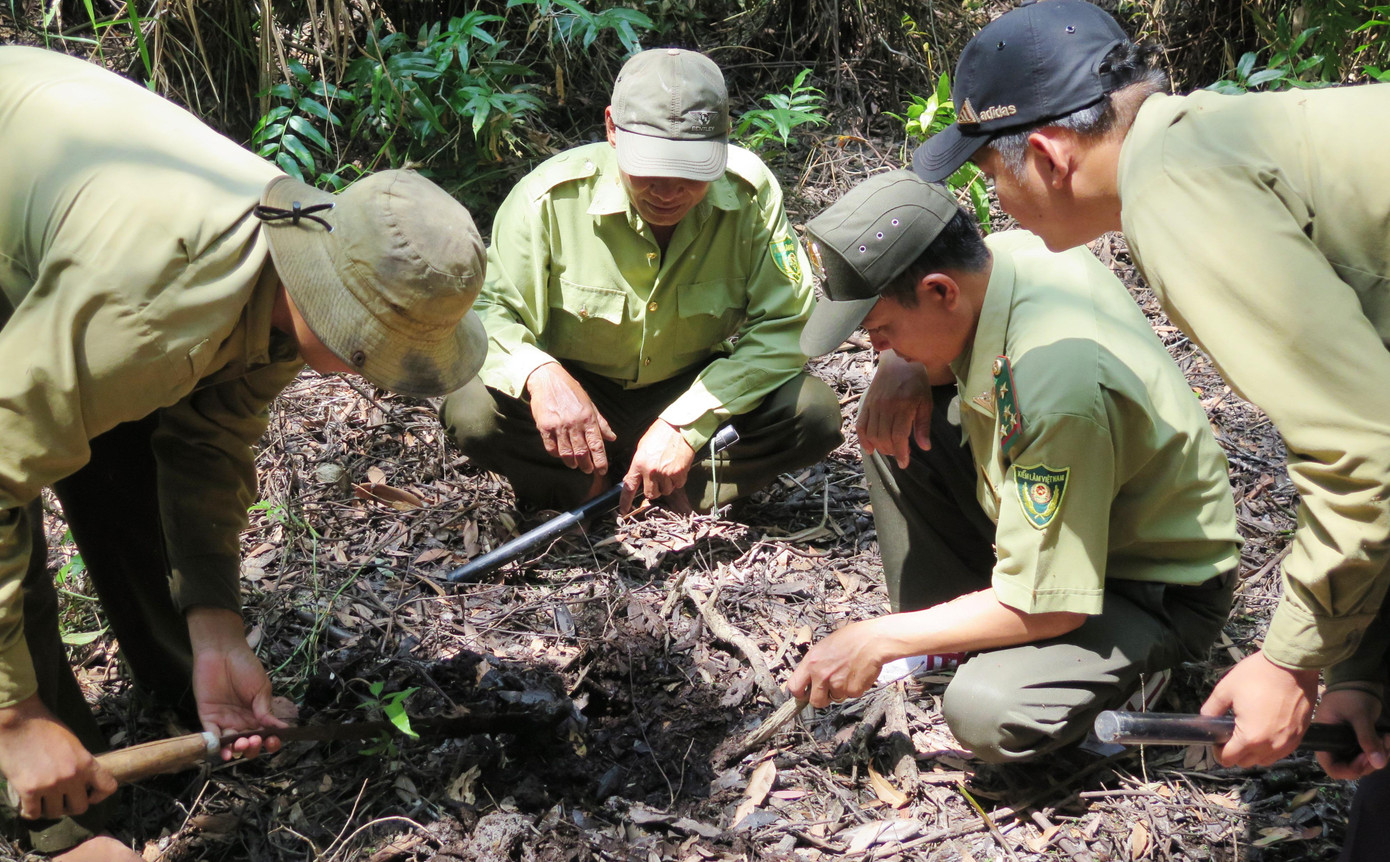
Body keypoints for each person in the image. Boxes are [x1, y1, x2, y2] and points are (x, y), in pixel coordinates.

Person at [0, 47, 488, 861]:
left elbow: (208, 439)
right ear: (320, 296)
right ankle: (52, 808)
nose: (372, 369)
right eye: (370, 347)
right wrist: (16, 717)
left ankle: (180, 679)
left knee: (124, 445)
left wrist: (216, 628)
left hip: (66, 225)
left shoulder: (307, 248)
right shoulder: (150, 309)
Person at [911, 0, 1390, 799]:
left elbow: (1365, 451)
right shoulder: (1211, 140)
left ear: (1046, 154)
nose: (997, 204)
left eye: (992, 176)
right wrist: (1363, 672)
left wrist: (1292, 663)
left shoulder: (1178, 194)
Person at [786, 170, 1241, 762]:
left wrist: (877, 638)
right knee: (893, 428)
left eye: (881, 330)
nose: (876, 347)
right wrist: (904, 365)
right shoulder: (1008, 259)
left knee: (986, 711)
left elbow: (1054, 603)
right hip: (1073, 530)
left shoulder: (1056, 392)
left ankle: (1133, 672)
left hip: (1147, 585)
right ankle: (963, 638)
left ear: (941, 291)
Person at [439, 48, 842, 515]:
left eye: (691, 170)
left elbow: (787, 326)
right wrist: (539, 375)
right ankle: (580, 489)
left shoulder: (751, 195)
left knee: (812, 413)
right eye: (648, 167)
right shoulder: (548, 198)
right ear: (611, 128)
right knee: (472, 410)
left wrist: (685, 425)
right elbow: (487, 312)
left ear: (723, 140)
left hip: (692, 385)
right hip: (576, 389)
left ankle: (676, 486)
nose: (668, 191)